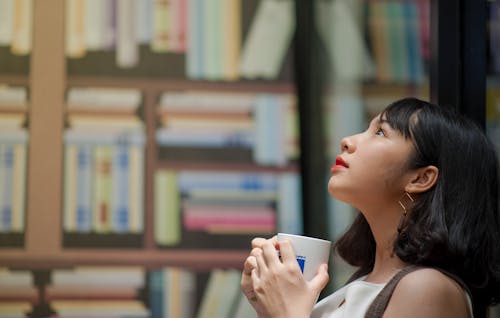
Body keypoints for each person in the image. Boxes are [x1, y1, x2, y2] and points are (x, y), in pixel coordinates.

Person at [240, 97, 500, 318]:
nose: (347, 141)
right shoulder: (363, 283)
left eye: (379, 132)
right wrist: (271, 306)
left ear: (420, 178)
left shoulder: (428, 289)